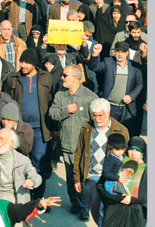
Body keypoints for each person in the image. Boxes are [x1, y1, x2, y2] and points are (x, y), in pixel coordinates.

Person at [2, 48, 54, 199]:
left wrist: (54, 128)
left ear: (34, 63)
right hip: (19, 129)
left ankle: (38, 198)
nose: (23, 65)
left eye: (27, 62)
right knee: (20, 160)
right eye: (21, 62)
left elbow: (51, 100)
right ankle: (21, 197)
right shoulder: (13, 78)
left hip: (40, 129)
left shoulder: (45, 77)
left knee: (39, 161)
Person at [48, 65, 99, 215]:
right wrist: (66, 110)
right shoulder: (60, 95)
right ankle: (75, 203)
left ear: (75, 78)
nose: (62, 78)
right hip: (66, 145)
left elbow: (96, 121)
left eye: (65, 75)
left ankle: (84, 207)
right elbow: (52, 113)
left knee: (81, 179)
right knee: (71, 179)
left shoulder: (90, 97)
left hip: (83, 147)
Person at [73, 98, 129, 224]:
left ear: (108, 113)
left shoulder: (122, 130)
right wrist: (77, 178)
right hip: (92, 176)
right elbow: (79, 153)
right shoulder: (86, 128)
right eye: (94, 115)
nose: (97, 119)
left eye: (100, 115)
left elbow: (126, 157)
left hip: (112, 179)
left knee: (108, 211)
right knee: (96, 210)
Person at [89, 42, 144, 133]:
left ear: (127, 53)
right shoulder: (108, 62)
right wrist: (95, 54)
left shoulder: (134, 66)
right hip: (110, 107)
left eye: (123, 52)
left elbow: (139, 84)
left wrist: (131, 96)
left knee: (126, 133)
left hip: (127, 109)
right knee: (108, 132)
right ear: (114, 51)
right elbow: (94, 68)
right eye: (118, 51)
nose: (120, 54)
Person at [0, 128, 42, 205]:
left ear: (11, 142)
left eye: (2, 138)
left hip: (16, 199)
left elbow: (36, 177)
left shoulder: (23, 160)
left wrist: (32, 182)